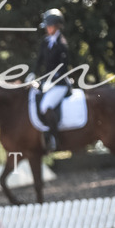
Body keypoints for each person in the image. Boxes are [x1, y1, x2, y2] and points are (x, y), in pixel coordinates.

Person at [35, 8, 71, 152]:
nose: (47, 29)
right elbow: (39, 60)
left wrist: (52, 79)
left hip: (60, 84)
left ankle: (55, 138)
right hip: (48, 83)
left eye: (49, 26)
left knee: (45, 106)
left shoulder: (62, 44)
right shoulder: (45, 42)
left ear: (57, 26)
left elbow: (64, 67)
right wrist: (33, 73)